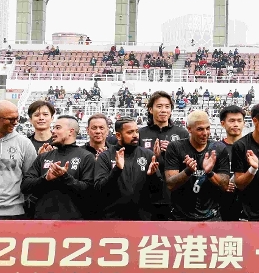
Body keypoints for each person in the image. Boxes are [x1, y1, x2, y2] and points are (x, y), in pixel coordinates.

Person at [20, 116, 95, 220]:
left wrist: (65, 177)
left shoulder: (86, 157)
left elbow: (89, 191)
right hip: (42, 221)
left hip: (74, 222)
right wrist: (45, 179)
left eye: (57, 128)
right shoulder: (44, 156)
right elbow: (25, 186)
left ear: (70, 131)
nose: (53, 131)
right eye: (53, 128)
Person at [163, 110, 230, 221]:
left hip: (211, 217)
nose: (205, 133)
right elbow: (170, 184)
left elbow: (224, 185)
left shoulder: (218, 148)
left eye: (208, 128)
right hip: (180, 217)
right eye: (200, 129)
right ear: (189, 129)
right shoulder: (175, 147)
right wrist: (188, 171)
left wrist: (210, 173)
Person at [94, 117, 163, 220]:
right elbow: (99, 189)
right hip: (113, 219)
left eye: (136, 131)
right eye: (130, 132)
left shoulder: (148, 155)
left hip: (142, 219)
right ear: (118, 135)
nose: (135, 135)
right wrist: (117, 170)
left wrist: (152, 176)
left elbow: (158, 191)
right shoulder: (105, 156)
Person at [139, 91, 189, 221]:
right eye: (159, 106)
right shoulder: (140, 133)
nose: (163, 110)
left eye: (167, 106)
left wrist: (172, 152)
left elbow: (189, 163)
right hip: (146, 196)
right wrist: (152, 156)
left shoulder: (182, 133)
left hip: (174, 196)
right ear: (150, 109)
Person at [216, 105, 246, 221]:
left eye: (239, 121)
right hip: (221, 204)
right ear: (223, 124)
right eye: (232, 121)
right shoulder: (216, 148)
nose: (236, 124)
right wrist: (221, 183)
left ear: (244, 123)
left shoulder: (251, 147)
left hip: (247, 205)